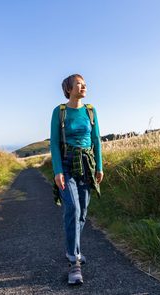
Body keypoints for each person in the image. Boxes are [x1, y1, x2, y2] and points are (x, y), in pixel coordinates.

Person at [50, 74, 104, 285]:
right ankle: (74, 262)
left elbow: (97, 139)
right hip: (66, 164)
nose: (83, 87)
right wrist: (57, 171)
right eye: (79, 84)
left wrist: (99, 166)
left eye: (84, 84)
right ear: (69, 89)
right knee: (72, 209)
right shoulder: (60, 112)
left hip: (87, 165)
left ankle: (75, 250)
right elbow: (54, 143)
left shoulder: (91, 111)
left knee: (83, 212)